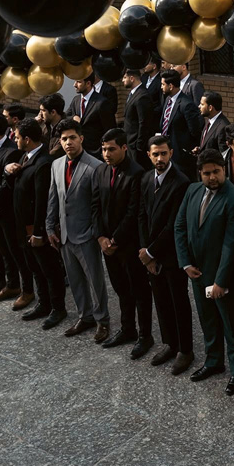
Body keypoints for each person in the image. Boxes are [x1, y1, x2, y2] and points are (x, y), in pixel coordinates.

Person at [174, 149, 234, 393]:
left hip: (224, 278)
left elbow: (231, 243)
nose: (212, 177)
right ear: (200, 173)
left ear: (223, 169)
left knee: (233, 326)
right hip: (197, 272)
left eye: (216, 171)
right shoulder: (192, 190)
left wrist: (220, 281)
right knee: (208, 321)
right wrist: (185, 264)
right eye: (207, 173)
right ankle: (214, 361)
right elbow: (180, 226)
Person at [46, 119, 112, 340]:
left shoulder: (95, 166)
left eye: (72, 138)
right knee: (75, 280)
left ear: (81, 138)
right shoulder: (56, 165)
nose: (68, 143)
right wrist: (49, 227)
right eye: (64, 139)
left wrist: (97, 233)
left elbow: (99, 205)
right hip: (65, 235)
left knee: (95, 281)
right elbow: (53, 198)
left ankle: (102, 320)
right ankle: (85, 316)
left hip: (87, 235)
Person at [93, 129, 153, 356]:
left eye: (111, 149)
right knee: (120, 289)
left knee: (139, 292)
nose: (106, 154)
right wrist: (100, 237)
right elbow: (95, 206)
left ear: (124, 148)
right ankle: (128, 329)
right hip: (107, 246)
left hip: (128, 245)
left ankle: (145, 336)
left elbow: (134, 212)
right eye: (104, 149)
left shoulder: (137, 173)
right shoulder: (101, 170)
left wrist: (115, 240)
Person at [138, 135, 193, 374]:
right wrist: (145, 252)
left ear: (171, 153)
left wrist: (151, 252)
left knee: (178, 302)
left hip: (171, 255)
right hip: (151, 255)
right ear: (148, 156)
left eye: (163, 153)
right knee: (161, 301)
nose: (159, 158)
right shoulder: (146, 178)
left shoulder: (181, 182)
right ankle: (170, 344)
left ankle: (185, 350)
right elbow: (141, 215)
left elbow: (173, 225)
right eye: (155, 154)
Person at [5, 119, 66, 329]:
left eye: (17, 137)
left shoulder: (43, 163)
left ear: (27, 139)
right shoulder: (25, 156)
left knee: (49, 269)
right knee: (35, 268)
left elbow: (42, 202)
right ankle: (43, 303)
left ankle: (58, 308)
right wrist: (8, 171)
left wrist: (39, 233)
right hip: (23, 226)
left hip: (35, 228)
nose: (15, 140)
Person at [0, 112, 32, 307]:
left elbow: (7, 184)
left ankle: (27, 290)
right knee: (3, 250)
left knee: (17, 252)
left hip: (7, 211)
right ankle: (12, 284)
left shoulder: (11, 151)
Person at [159, 69, 202, 177]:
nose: (161, 87)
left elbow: (195, 131)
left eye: (163, 84)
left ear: (171, 86)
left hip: (181, 159)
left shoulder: (186, 105)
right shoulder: (167, 100)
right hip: (167, 154)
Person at [66, 72, 117, 155]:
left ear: (88, 83)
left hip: (95, 152)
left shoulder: (101, 102)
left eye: (78, 82)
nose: (74, 85)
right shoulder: (76, 100)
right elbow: (66, 116)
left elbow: (109, 129)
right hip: (79, 150)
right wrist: (73, 118)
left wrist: (102, 151)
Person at [121, 68, 157, 171]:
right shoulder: (133, 94)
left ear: (132, 78)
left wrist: (139, 145)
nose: (123, 80)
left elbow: (144, 123)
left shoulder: (142, 95)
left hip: (137, 146)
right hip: (130, 144)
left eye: (125, 77)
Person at [37, 94, 66, 158]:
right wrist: (34, 124)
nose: (40, 114)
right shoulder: (43, 124)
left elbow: (54, 153)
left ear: (53, 112)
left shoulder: (66, 129)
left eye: (43, 110)